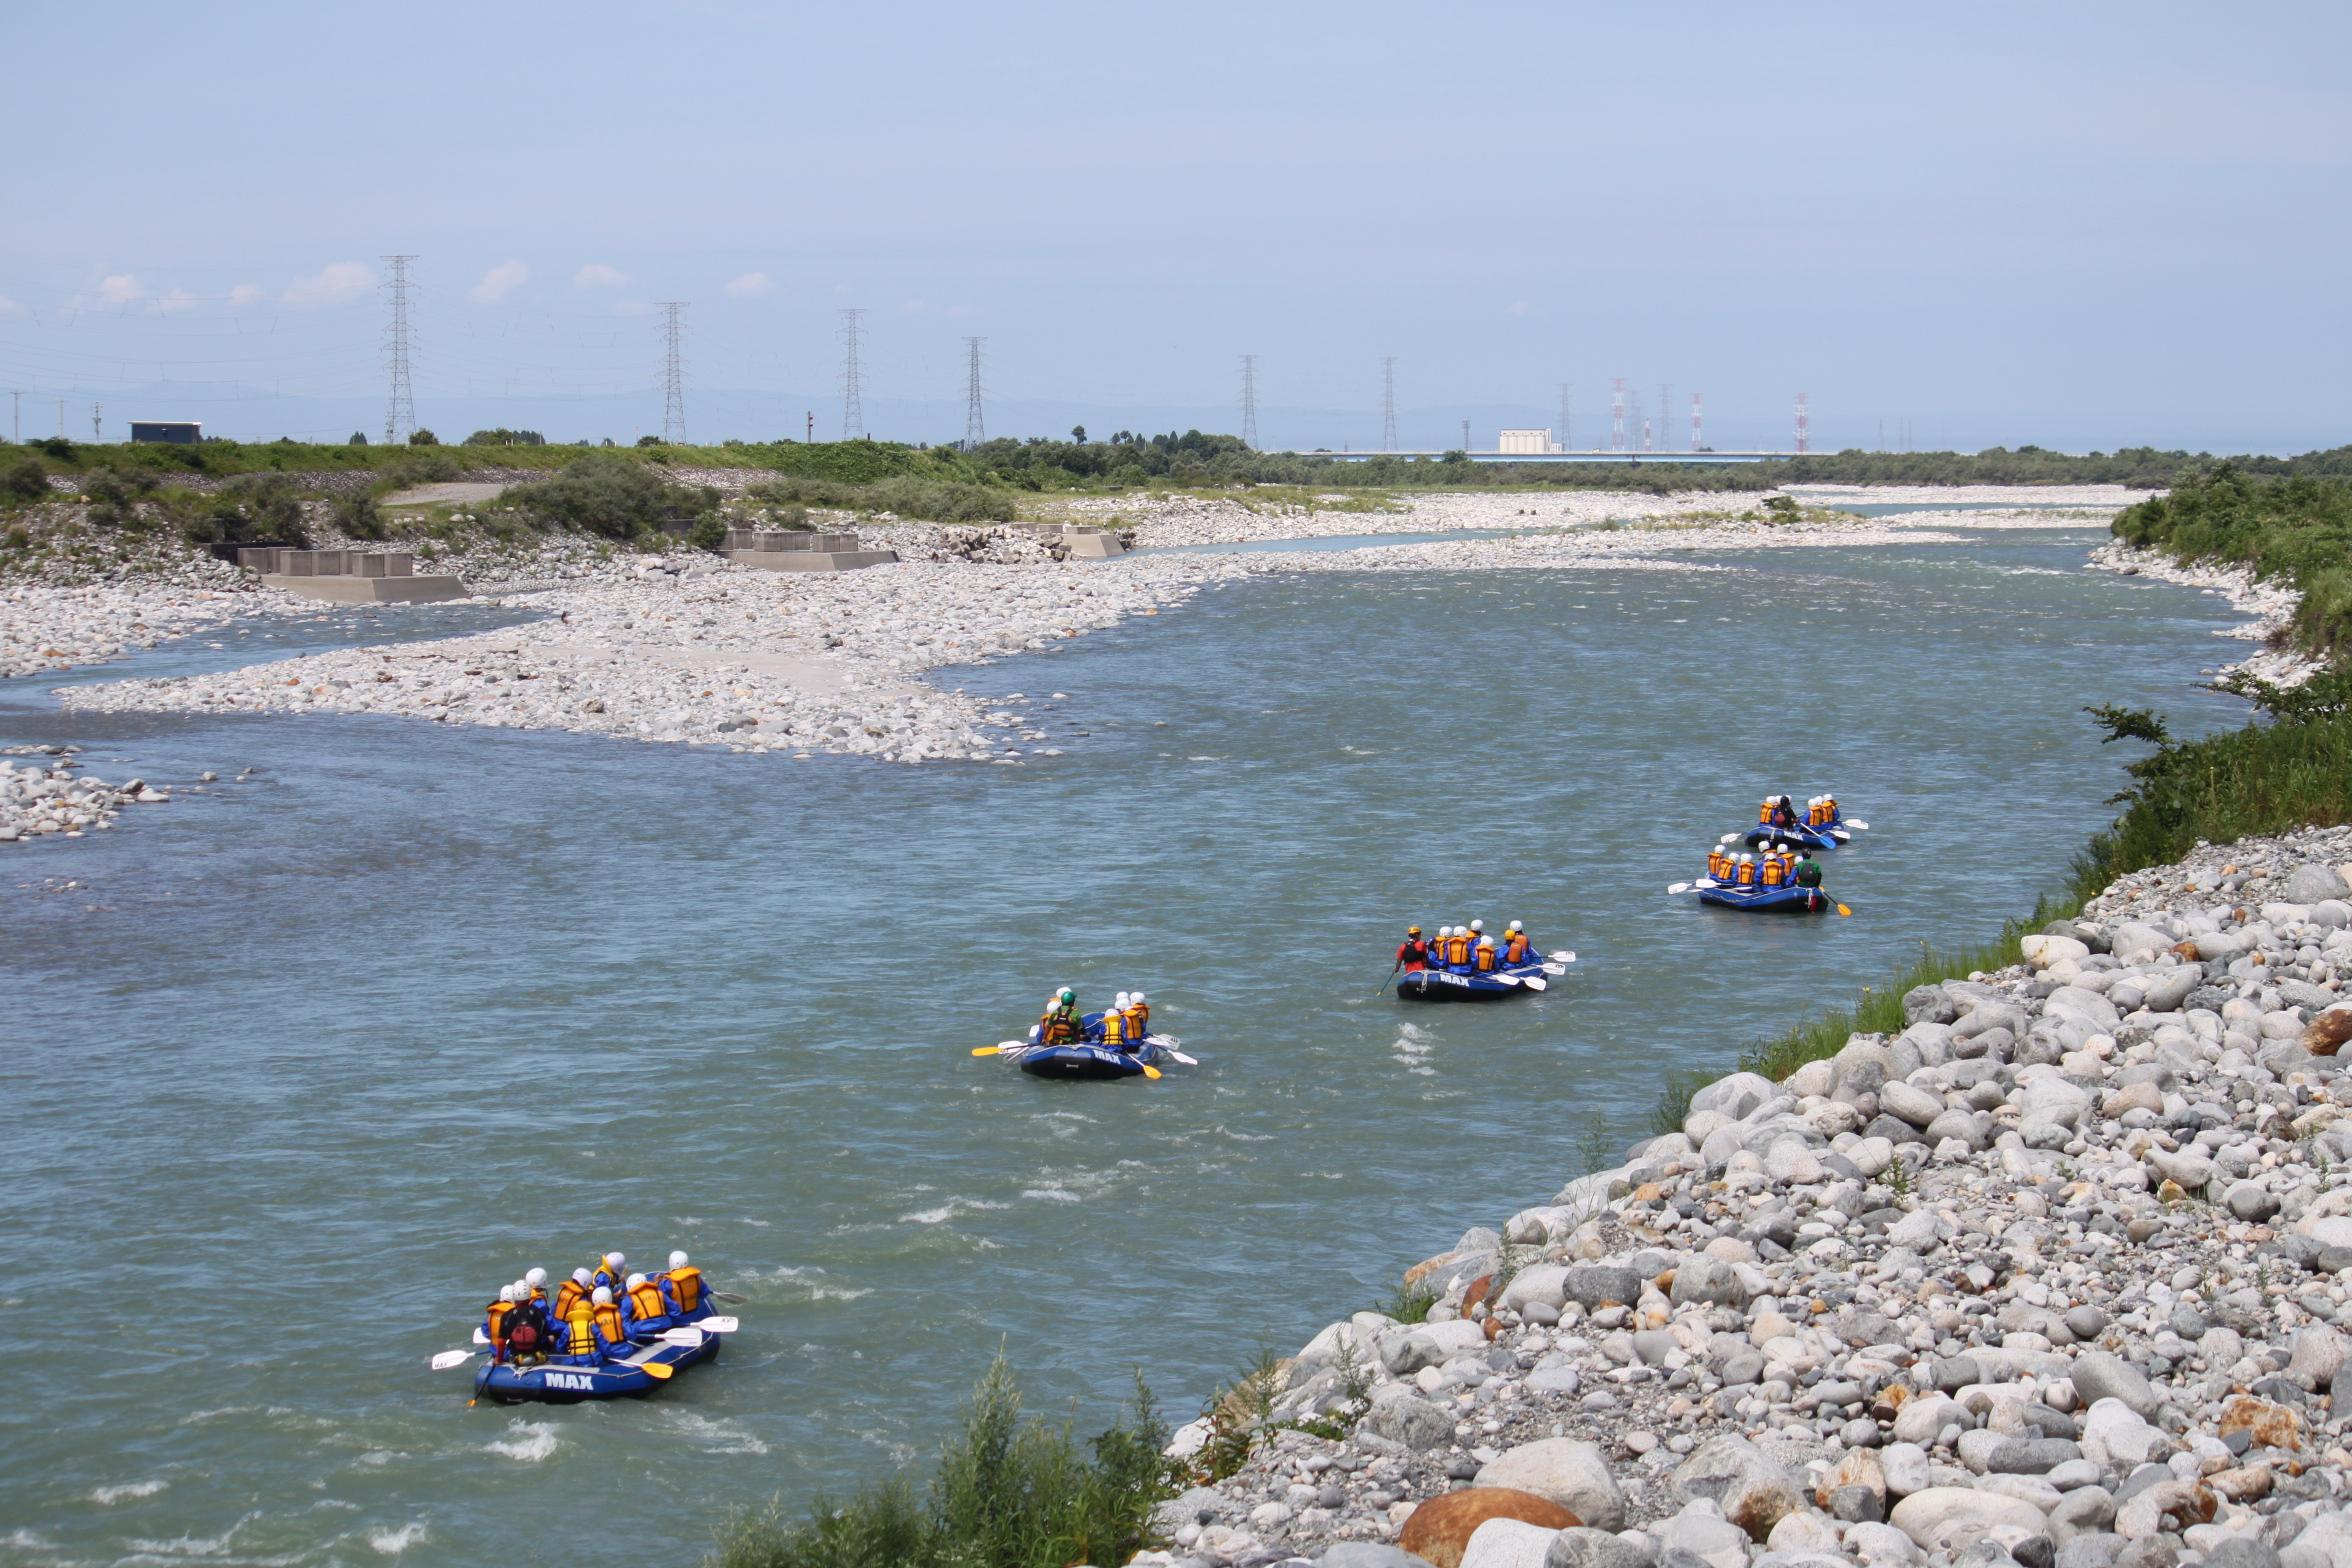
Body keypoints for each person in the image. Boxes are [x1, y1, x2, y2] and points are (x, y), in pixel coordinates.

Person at [553, 1293, 603, 1366]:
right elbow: (603, 1343)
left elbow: (560, 1346)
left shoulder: (569, 1327)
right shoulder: (592, 1326)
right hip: (592, 1359)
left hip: (574, 1360)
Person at [657, 1250, 707, 1321]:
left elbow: (660, 1301)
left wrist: (658, 1283)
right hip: (695, 1316)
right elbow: (704, 1294)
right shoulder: (697, 1278)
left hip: (676, 1320)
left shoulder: (667, 1283)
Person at [622, 1272, 672, 1338]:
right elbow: (675, 1309)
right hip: (666, 1327)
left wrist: (631, 1335)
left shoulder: (628, 1299)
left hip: (644, 1333)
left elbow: (624, 1320)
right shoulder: (659, 1292)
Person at [589, 1287, 631, 1358]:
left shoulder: (592, 1321)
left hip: (608, 1354)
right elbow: (631, 1333)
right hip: (625, 1349)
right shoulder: (619, 1314)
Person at [484, 1285, 518, 1362]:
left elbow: (485, 1331)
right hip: (510, 1353)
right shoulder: (516, 1312)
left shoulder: (492, 1313)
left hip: (495, 1352)